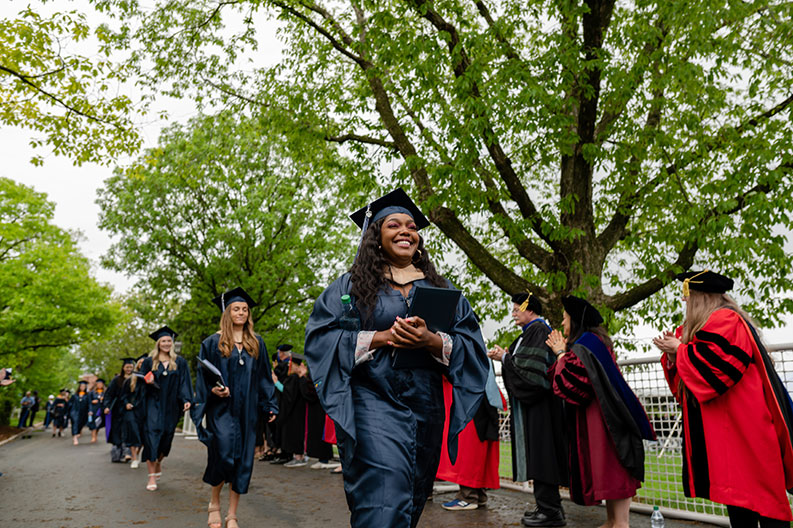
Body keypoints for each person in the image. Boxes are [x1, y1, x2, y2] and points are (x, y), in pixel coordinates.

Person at [304, 188, 489, 528]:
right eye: (394, 224)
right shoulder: (351, 287)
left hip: (426, 406)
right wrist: (383, 337)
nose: (406, 230)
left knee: (412, 499)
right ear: (375, 235)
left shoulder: (442, 289)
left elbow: (473, 346)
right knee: (384, 497)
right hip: (372, 399)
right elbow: (322, 338)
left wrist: (431, 340)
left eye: (412, 226)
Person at [653, 270, 793, 527]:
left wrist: (680, 351)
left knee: (765, 499)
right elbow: (691, 380)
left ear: (702, 297)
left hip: (749, 428)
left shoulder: (726, 320)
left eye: (689, 296)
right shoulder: (708, 325)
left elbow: (716, 370)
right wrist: (675, 356)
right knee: (739, 499)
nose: (685, 302)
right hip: (731, 431)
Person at [547, 295, 654, 528]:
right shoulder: (593, 342)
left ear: (575, 321)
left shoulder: (587, 344)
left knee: (614, 467)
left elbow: (575, 384)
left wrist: (559, 353)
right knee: (609, 467)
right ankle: (613, 520)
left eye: (565, 319)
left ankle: (621, 523)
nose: (563, 324)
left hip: (604, 416)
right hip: (602, 413)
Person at [192, 287, 278, 528]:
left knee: (242, 462)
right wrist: (213, 391)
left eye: (244, 309)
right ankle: (214, 503)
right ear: (227, 313)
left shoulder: (256, 343)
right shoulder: (212, 342)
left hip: (247, 410)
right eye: (236, 309)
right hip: (221, 410)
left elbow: (263, 378)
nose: (240, 312)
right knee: (223, 453)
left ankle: (232, 515)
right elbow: (203, 378)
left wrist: (270, 404)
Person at [488, 293, 568, 527]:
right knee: (538, 455)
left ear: (530, 310)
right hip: (535, 407)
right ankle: (545, 507)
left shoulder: (539, 331)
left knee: (543, 456)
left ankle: (551, 512)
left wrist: (505, 358)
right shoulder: (530, 333)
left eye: (516, 309)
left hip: (541, 406)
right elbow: (521, 363)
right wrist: (505, 358)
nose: (513, 314)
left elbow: (531, 374)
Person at [436, 362, 505, 511]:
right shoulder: (480, 353)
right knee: (477, 448)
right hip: (481, 401)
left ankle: (468, 496)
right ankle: (478, 494)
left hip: (471, 403)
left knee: (470, 449)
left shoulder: (467, 349)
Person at [139, 326, 193, 492]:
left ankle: (158, 461)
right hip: (152, 404)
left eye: (169, 340)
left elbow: (184, 382)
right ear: (158, 343)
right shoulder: (149, 362)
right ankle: (151, 477)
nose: (166, 343)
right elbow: (140, 382)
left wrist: (186, 399)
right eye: (163, 341)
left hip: (171, 405)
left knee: (166, 439)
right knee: (151, 437)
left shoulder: (180, 363)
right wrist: (145, 381)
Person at [105, 358, 136, 458]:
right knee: (117, 430)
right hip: (118, 409)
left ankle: (127, 451)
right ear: (123, 368)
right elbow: (109, 394)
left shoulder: (135, 379)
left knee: (128, 429)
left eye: (131, 367)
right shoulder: (117, 380)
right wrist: (107, 406)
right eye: (127, 367)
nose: (129, 369)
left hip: (130, 408)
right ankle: (117, 453)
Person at [122, 357, 147, 469]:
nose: (142, 365)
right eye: (140, 363)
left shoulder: (150, 378)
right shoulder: (130, 380)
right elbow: (123, 396)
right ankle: (134, 458)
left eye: (144, 363)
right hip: (132, 410)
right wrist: (126, 403)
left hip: (145, 411)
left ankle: (135, 454)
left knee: (143, 435)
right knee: (133, 432)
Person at [68, 380, 90, 445]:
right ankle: (75, 438)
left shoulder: (87, 396)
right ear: (79, 387)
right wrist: (70, 409)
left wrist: (90, 411)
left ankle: (77, 433)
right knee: (75, 422)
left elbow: (89, 404)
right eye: (81, 386)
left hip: (83, 412)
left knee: (81, 423)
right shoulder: (74, 395)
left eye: (84, 386)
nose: (82, 387)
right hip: (74, 411)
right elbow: (69, 403)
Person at [88, 379, 107, 443]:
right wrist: (92, 403)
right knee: (94, 423)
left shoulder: (105, 392)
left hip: (101, 409)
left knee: (99, 424)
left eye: (101, 384)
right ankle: (93, 437)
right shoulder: (92, 393)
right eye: (98, 384)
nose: (99, 385)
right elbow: (89, 402)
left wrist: (103, 399)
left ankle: (95, 435)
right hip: (94, 409)